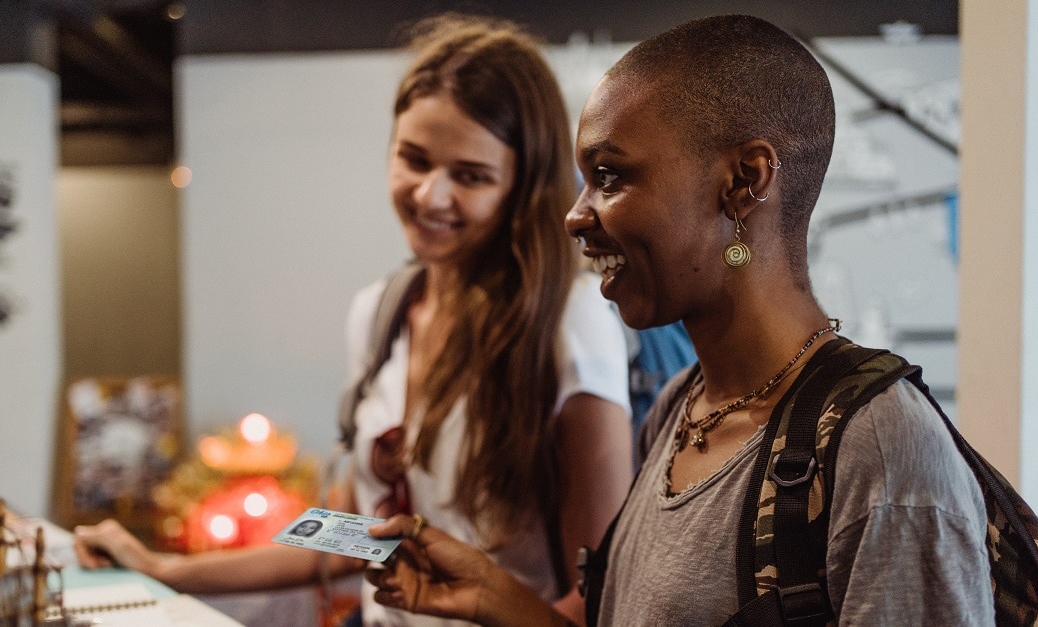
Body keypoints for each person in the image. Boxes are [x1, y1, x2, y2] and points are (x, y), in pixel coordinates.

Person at [365, 14, 993, 626]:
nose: (576, 216)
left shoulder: (880, 449)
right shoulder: (678, 410)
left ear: (744, 181)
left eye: (610, 177)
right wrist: (488, 592)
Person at [74, 13, 634, 626]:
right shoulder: (382, 310)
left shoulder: (570, 324)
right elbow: (363, 530)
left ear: (523, 188)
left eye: (470, 176)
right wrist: (166, 569)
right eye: (414, 159)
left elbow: (600, 592)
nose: (429, 196)